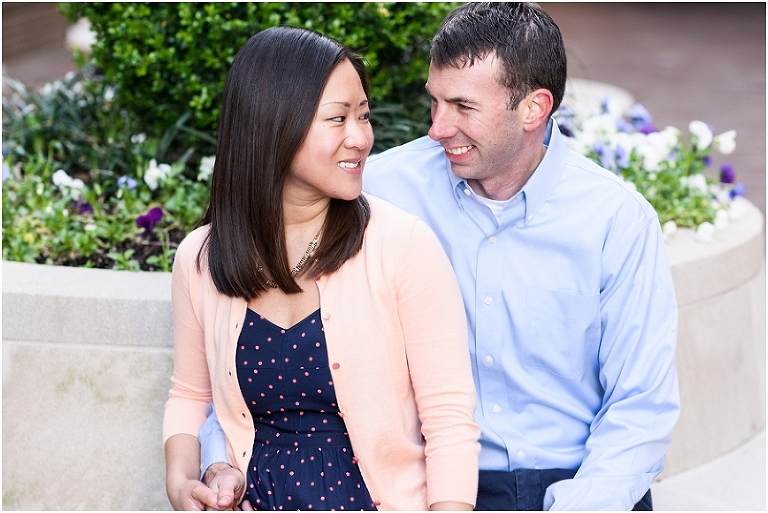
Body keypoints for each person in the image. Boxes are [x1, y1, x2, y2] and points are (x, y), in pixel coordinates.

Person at [200, 3, 680, 510]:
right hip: (441, 482)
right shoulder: (375, 192)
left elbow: (641, 407)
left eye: (463, 107)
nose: (437, 128)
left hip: (585, 480)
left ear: (534, 109)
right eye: (435, 102)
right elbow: (256, 338)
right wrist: (218, 459)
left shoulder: (616, 221)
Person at [163, 25, 481, 511]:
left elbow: (450, 422)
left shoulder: (401, 246)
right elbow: (189, 395)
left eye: (364, 116)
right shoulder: (201, 257)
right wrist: (182, 480)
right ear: (274, 125)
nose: (360, 138)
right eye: (338, 118)